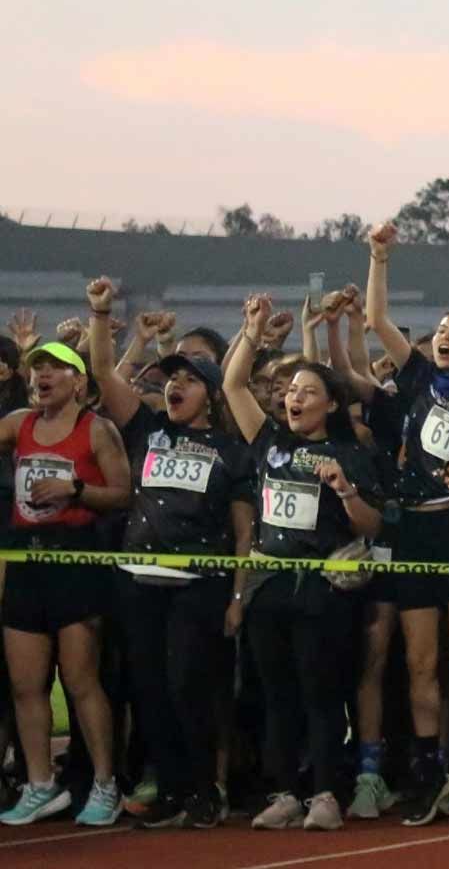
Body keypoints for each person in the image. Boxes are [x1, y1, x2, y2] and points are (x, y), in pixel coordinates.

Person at [78, 279, 251, 830]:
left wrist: (238, 596)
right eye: (170, 377)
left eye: (188, 379)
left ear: (210, 394)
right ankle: (172, 790)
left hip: (198, 582)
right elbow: (104, 374)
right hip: (138, 580)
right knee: (149, 690)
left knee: (187, 687)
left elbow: (244, 530)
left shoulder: (231, 450)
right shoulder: (148, 430)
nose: (175, 385)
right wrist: (102, 312)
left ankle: (205, 789)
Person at [358, 223, 449, 824]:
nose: (445, 338)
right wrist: (379, 256)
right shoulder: (417, 377)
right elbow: (376, 319)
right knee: (421, 664)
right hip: (414, 530)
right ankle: (430, 770)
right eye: (439, 332)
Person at [219, 295, 385, 832]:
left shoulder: (352, 454)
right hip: (269, 585)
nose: (294, 398)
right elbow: (233, 386)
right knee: (277, 694)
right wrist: (250, 332)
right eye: (290, 391)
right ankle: (284, 791)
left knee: (321, 693)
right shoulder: (268, 441)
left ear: (330, 405)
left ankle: (326, 795)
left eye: (308, 392)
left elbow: (372, 528)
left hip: (323, 591)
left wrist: (345, 490)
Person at [0, 340, 132, 827]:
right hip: (27, 562)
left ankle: (104, 784)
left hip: (76, 560)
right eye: (37, 369)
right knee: (25, 684)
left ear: (78, 380)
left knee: (80, 680)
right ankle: (40, 784)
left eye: (54, 367)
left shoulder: (97, 429)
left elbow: (123, 494)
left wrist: (75, 489)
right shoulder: (20, 424)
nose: (42, 376)